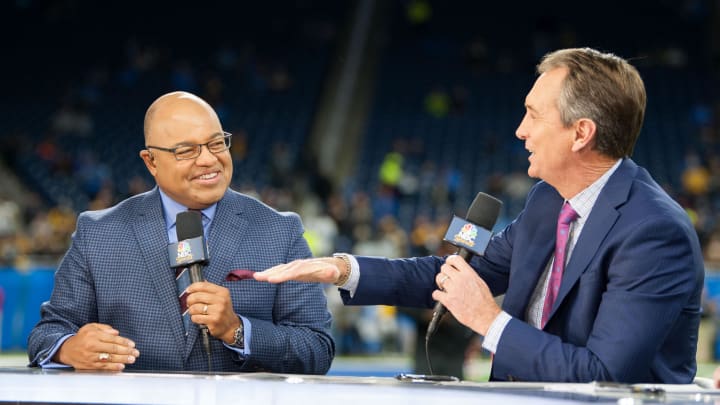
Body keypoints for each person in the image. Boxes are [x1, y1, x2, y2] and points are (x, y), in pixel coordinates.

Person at [255, 48, 704, 383]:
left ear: (581, 133)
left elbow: (603, 376)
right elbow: (456, 273)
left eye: (532, 114)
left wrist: (489, 320)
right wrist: (342, 269)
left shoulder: (654, 232)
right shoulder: (549, 201)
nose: (520, 129)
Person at [27, 91, 335, 373]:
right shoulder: (99, 232)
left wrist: (237, 330)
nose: (208, 159)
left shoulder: (279, 231)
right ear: (151, 162)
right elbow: (48, 333)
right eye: (186, 150)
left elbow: (317, 349)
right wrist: (69, 349)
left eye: (216, 143)